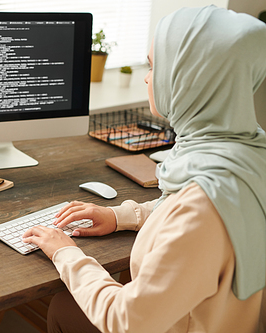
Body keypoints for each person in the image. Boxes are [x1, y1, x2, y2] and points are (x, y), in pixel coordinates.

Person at [22, 5, 266, 333]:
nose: (148, 78)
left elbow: (127, 320)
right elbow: (178, 213)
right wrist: (119, 216)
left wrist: (66, 253)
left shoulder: (203, 205)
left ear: (188, 77)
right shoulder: (246, 151)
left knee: (65, 307)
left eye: (154, 66)